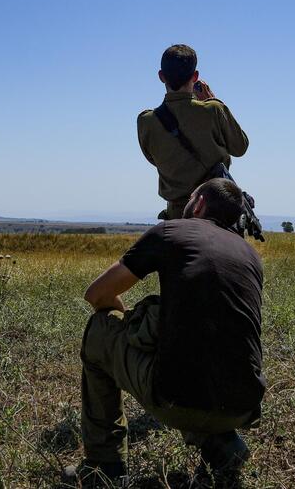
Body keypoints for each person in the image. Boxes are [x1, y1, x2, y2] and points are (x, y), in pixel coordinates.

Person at [63, 178, 265, 489]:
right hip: (243, 407)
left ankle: (104, 466)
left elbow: (96, 295)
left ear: (197, 204)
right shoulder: (250, 256)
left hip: (176, 401)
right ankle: (223, 446)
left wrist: (126, 319)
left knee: (98, 330)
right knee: (207, 340)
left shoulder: (170, 231)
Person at [138, 45, 249, 221]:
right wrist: (212, 100)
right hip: (216, 213)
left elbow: (152, 158)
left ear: (161, 76)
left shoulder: (146, 121)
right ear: (195, 76)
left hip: (176, 215)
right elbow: (240, 147)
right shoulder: (213, 110)